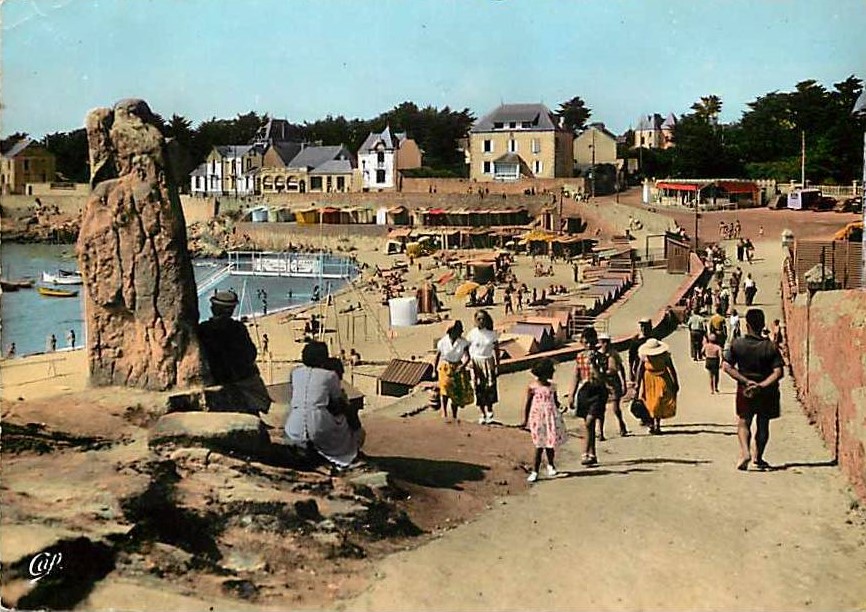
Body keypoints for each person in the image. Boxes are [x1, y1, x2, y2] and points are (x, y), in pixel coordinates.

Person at [284, 341, 364, 468]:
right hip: (318, 425)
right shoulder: (330, 376)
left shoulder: (295, 373)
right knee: (343, 421)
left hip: (293, 429)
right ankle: (346, 454)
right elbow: (338, 402)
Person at [722, 308, 784, 471]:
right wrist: (762, 385)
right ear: (762, 324)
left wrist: (746, 381)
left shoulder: (738, 344)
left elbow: (727, 366)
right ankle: (759, 457)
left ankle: (745, 452)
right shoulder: (770, 347)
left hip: (745, 390)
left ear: (747, 324)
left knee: (744, 422)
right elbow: (778, 372)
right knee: (763, 424)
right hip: (767, 392)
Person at [197, 290, 272, 415]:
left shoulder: (203, 329)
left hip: (216, 378)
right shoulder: (238, 329)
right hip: (241, 379)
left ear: (212, 308)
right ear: (231, 310)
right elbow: (250, 354)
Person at [519, 358, 567, 482]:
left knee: (550, 444)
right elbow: (528, 404)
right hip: (538, 418)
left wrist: (560, 407)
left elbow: (555, 402)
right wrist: (525, 420)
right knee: (539, 445)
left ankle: (551, 465)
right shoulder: (532, 387)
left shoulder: (552, 387)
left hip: (550, 417)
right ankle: (535, 471)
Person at [569, 326, 609, 466]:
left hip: (598, 391)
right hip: (585, 391)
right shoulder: (580, 357)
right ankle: (592, 453)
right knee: (588, 425)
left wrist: (594, 364)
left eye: (591, 343)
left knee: (590, 421)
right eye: (586, 343)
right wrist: (571, 394)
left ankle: (586, 452)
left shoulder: (602, 357)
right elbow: (576, 375)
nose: (589, 346)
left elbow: (602, 378)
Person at [634, 338, 679, 435]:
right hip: (649, 380)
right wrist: (637, 383)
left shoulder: (665, 356)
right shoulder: (644, 357)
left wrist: (675, 382)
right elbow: (640, 370)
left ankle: (657, 424)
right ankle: (651, 423)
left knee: (658, 401)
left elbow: (671, 368)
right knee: (649, 403)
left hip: (663, 378)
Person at [433, 320, 473, 421]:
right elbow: (437, 356)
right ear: (452, 331)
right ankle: (444, 411)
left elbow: (467, 357)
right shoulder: (442, 342)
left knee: (456, 392)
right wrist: (434, 370)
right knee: (445, 389)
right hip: (445, 367)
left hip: (457, 367)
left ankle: (454, 414)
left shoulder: (463, 342)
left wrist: (463, 366)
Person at [467, 310, 500, 424]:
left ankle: (490, 411)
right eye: (479, 319)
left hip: (488, 361)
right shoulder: (472, 334)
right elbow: (466, 349)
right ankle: (482, 413)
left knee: (489, 388)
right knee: (478, 387)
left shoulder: (492, 334)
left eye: (483, 319)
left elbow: (496, 349)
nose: (481, 321)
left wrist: (497, 364)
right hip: (475, 362)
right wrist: (468, 361)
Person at [597, 333, 628, 439]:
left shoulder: (614, 354)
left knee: (615, 407)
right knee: (601, 408)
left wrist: (624, 382)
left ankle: (621, 425)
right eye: (603, 342)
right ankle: (600, 432)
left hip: (613, 380)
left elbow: (620, 368)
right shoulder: (597, 355)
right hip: (602, 381)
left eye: (607, 342)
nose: (605, 344)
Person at [628, 318, 653, 383]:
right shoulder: (636, 341)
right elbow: (631, 356)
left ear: (650, 327)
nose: (644, 328)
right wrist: (630, 371)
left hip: (651, 367)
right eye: (642, 326)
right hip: (638, 368)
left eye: (646, 326)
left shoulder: (653, 340)